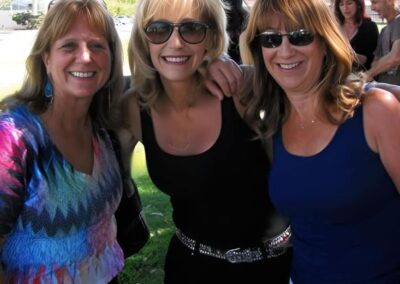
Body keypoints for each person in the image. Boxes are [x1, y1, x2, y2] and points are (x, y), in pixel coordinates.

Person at [117, 0, 292, 283]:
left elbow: (322, 88)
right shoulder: (133, 108)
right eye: (159, 29)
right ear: (143, 38)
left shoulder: (240, 87)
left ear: (211, 36)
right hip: (189, 269)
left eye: (192, 29)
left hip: (270, 268)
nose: (175, 43)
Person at [238, 0, 400, 282]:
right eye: (271, 39)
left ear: (324, 42)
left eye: (300, 36)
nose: (285, 50)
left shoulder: (376, 111)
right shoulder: (272, 125)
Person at [0, 0, 126, 282]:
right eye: (69, 46)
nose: (85, 57)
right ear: (46, 58)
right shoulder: (14, 140)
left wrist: (220, 64)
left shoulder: (103, 130)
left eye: (97, 46)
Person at [334, 0, 379, 70]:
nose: (345, 8)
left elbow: (371, 59)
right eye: (341, 4)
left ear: (358, 5)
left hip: (361, 77)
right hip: (336, 77)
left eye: (349, 3)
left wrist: (346, 54)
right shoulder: (334, 28)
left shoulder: (370, 27)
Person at [365, 0, 400, 84]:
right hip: (385, 91)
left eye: (375, 2)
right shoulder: (383, 31)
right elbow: (375, 62)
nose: (372, 8)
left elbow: (396, 57)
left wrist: (367, 74)